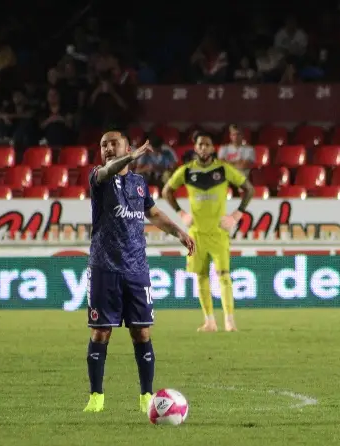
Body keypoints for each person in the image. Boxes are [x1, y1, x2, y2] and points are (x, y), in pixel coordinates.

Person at [83, 131, 196, 414]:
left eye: (113, 143)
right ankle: (96, 397)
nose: (107, 148)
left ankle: (147, 397)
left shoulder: (138, 184)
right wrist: (130, 157)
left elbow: (154, 214)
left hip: (136, 269)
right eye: (103, 145)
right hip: (104, 267)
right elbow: (109, 169)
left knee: (142, 332)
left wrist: (179, 233)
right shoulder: (99, 177)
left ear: (127, 146)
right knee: (100, 333)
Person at [162, 131, 255, 333]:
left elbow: (249, 188)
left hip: (218, 232)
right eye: (200, 145)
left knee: (224, 275)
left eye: (207, 145)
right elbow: (166, 191)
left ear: (213, 148)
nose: (203, 148)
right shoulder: (186, 171)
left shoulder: (223, 169)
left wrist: (236, 215)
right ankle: (210, 322)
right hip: (196, 233)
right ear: (195, 148)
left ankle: (230, 321)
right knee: (201, 275)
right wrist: (181, 213)